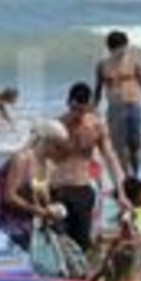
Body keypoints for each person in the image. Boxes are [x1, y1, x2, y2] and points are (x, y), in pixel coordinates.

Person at [55, 82, 126, 252]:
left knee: (82, 245)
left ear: (90, 107)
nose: (78, 115)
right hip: (58, 190)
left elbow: (111, 158)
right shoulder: (56, 126)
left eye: (83, 110)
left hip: (83, 190)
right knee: (60, 244)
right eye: (75, 110)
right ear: (68, 103)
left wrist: (121, 191)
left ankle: (81, 278)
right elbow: (38, 159)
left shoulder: (96, 127)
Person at [0, 120, 65, 250]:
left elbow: (42, 198)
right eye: (58, 147)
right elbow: (9, 197)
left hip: (26, 222)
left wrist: (53, 209)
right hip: (6, 220)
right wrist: (38, 210)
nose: (60, 152)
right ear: (48, 142)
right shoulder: (22, 159)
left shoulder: (48, 166)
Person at [96, 31, 141, 175]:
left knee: (135, 145)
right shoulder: (103, 65)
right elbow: (97, 88)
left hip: (134, 105)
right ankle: (126, 176)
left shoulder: (134, 61)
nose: (123, 51)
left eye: (124, 47)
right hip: (115, 108)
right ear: (111, 49)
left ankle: (136, 174)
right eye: (119, 48)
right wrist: (93, 110)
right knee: (119, 146)